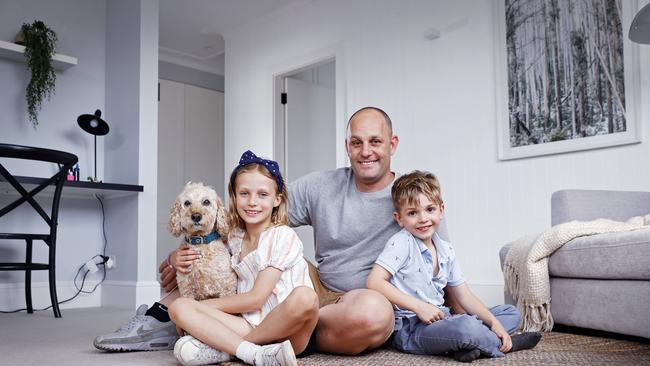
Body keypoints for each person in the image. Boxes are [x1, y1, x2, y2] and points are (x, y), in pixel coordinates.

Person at [94, 106, 437, 355]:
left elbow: (443, 267)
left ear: (392, 144)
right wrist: (182, 255)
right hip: (313, 283)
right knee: (216, 264)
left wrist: (450, 316)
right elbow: (250, 218)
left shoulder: (413, 199)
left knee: (375, 313)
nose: (365, 152)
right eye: (356, 142)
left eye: (375, 142)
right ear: (347, 145)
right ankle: (160, 316)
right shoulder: (322, 185)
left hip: (356, 299)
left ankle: (234, 338)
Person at [367, 170, 541, 363]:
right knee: (465, 326)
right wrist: (419, 307)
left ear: (441, 209)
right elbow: (374, 281)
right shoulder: (401, 243)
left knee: (510, 313)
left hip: (444, 318)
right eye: (412, 213)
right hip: (412, 328)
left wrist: (494, 323)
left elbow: (464, 295)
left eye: (430, 209)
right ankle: (500, 345)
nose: (423, 218)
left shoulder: (445, 248)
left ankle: (464, 346)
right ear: (399, 218)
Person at [169, 150, 318, 366]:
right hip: (248, 323)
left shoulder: (282, 236)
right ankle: (253, 353)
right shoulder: (234, 237)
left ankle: (229, 348)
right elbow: (202, 246)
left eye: (262, 195)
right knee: (178, 307)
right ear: (234, 197)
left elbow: (256, 299)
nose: (252, 202)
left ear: (277, 199)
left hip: (290, 332)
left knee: (305, 297)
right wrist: (174, 258)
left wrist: (203, 309)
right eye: (244, 193)